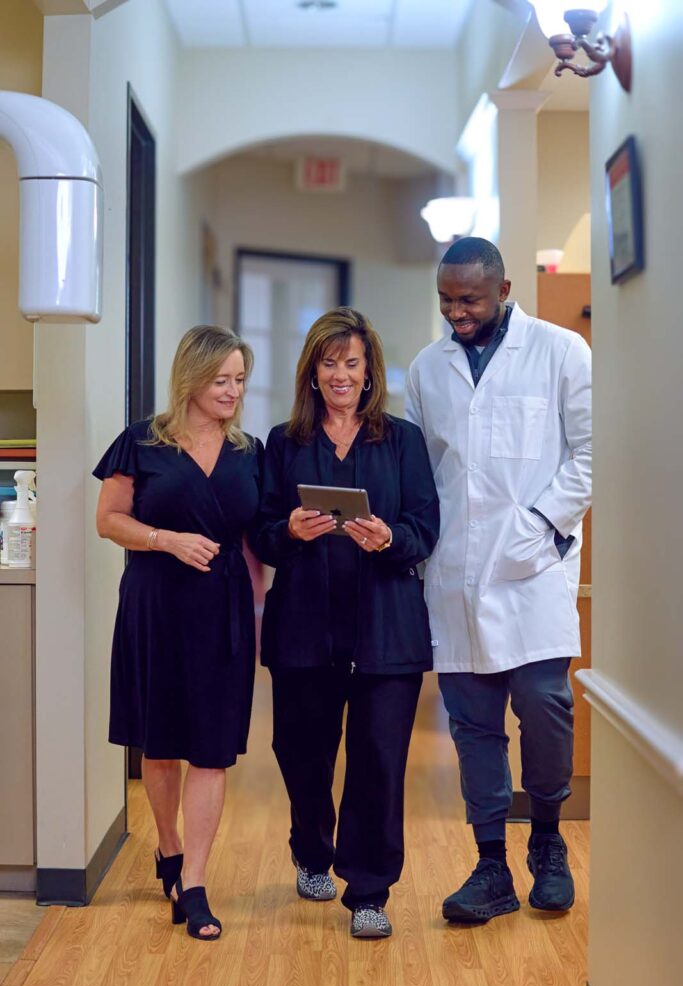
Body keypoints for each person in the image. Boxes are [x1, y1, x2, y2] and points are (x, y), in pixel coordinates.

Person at [405, 237, 591, 923]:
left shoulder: (561, 351)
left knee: (545, 706)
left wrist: (540, 524)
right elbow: (422, 471)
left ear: (504, 289)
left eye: (469, 300)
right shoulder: (427, 369)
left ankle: (545, 839)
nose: (456, 312)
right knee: (472, 725)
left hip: (533, 565)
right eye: (446, 300)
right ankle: (490, 867)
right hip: (453, 570)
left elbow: (591, 454)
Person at [251, 307, 439, 939]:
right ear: (312, 372)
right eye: (328, 363)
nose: (340, 374)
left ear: (369, 373)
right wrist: (290, 532)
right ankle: (311, 848)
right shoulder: (285, 443)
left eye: (351, 364)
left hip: (387, 630)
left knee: (379, 758)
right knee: (300, 751)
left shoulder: (403, 441)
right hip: (305, 628)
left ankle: (369, 890)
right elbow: (263, 532)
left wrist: (389, 536)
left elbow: (425, 528)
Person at [94, 325, 262, 941]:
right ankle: (167, 846)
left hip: (223, 610)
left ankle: (193, 882)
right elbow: (108, 521)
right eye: (222, 379)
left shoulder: (251, 451)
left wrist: (263, 611)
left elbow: (254, 541)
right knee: (161, 745)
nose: (232, 391)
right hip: (156, 604)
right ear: (192, 377)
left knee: (213, 749)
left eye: (240, 380)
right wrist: (165, 540)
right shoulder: (141, 441)